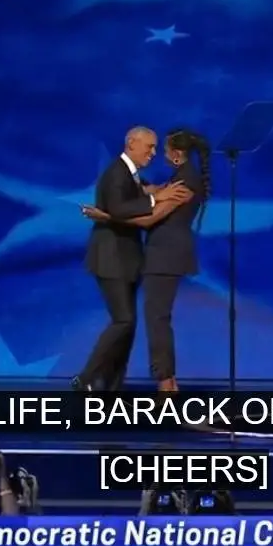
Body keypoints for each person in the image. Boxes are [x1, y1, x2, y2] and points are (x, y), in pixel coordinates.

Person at [81, 129, 210, 392]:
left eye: (161, 149)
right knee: (148, 319)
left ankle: (165, 384)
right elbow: (148, 193)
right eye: (150, 147)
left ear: (177, 154)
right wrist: (152, 193)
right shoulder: (181, 177)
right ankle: (159, 383)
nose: (156, 154)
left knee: (155, 319)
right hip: (162, 254)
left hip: (165, 255)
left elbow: (151, 218)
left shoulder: (184, 181)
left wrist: (106, 216)